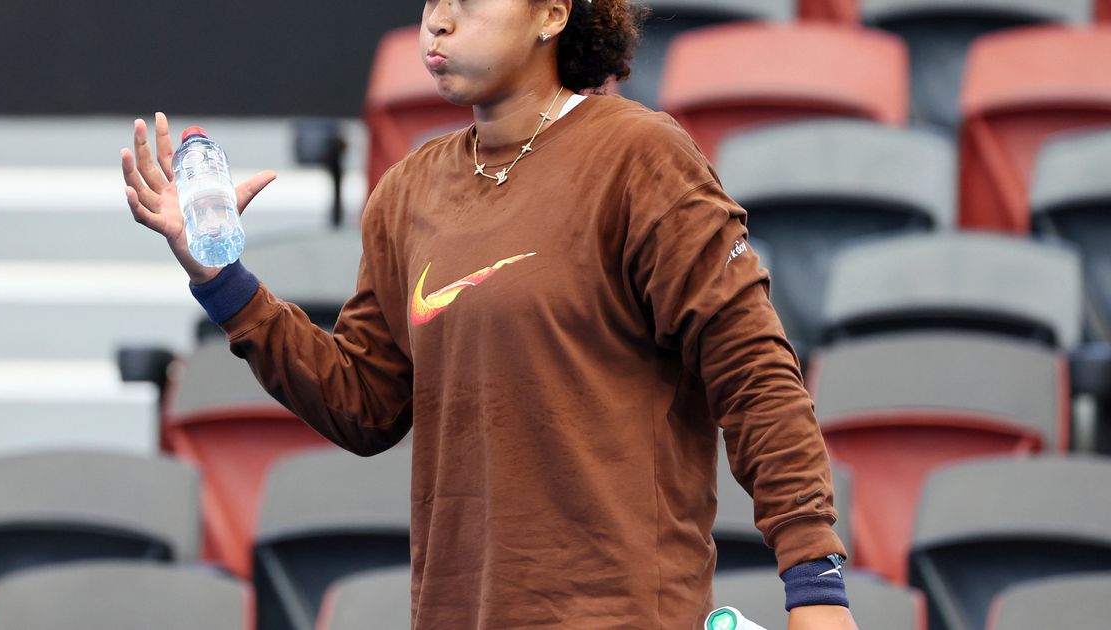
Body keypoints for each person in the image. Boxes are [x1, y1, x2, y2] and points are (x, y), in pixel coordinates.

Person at [121, 1, 859, 628]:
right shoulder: (407, 190)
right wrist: (223, 280)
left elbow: (755, 371)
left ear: (552, 12)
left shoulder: (642, 158)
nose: (437, 21)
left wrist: (815, 585)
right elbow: (364, 404)